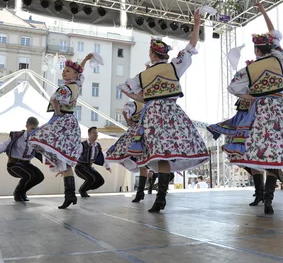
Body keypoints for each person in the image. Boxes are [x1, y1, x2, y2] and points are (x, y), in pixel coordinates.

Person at [123, 11, 210, 213]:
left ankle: (160, 198)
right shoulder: (174, 66)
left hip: (153, 115)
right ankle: (161, 197)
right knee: (166, 155)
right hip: (171, 114)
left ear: (153, 55)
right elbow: (191, 46)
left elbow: (128, 90)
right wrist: (196, 23)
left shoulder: (143, 75)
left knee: (159, 156)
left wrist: (145, 99)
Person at [223, 2, 283, 214]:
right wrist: (263, 12)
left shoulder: (250, 68)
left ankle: (263, 196)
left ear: (257, 50)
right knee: (275, 155)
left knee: (256, 150)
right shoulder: (280, 58)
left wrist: (252, 97)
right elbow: (274, 34)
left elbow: (233, 87)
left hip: (258, 111)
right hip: (279, 109)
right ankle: (268, 199)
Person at [29, 53, 94, 209]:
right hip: (71, 123)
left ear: (74, 75)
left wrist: (57, 112)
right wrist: (85, 60)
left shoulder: (65, 88)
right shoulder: (76, 85)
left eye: (67, 71)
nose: (64, 72)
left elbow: (55, 99)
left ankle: (70, 195)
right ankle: (70, 195)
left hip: (62, 121)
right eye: (64, 70)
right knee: (65, 161)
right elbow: (80, 72)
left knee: (35, 137)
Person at [0, 117, 43, 202]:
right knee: (29, 174)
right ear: (27, 126)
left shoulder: (38, 139)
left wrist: (58, 165)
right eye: (32, 129)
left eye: (36, 129)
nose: (33, 132)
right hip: (14, 165)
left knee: (39, 176)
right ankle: (17, 192)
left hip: (26, 164)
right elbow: (1, 147)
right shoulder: (16, 136)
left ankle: (23, 192)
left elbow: (47, 152)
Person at [106, 99, 155, 203]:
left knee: (141, 162)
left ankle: (140, 192)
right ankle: (140, 192)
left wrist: (128, 121)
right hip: (147, 132)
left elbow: (125, 111)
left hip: (136, 133)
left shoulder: (134, 103)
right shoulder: (150, 103)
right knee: (143, 162)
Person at [75, 127, 111, 197]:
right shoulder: (82, 145)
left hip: (89, 167)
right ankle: (83, 190)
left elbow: (101, 156)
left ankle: (83, 189)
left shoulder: (97, 146)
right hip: (80, 167)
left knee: (101, 181)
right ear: (89, 134)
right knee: (91, 178)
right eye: (94, 133)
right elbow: (74, 155)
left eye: (97, 133)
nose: (96, 134)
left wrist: (107, 167)